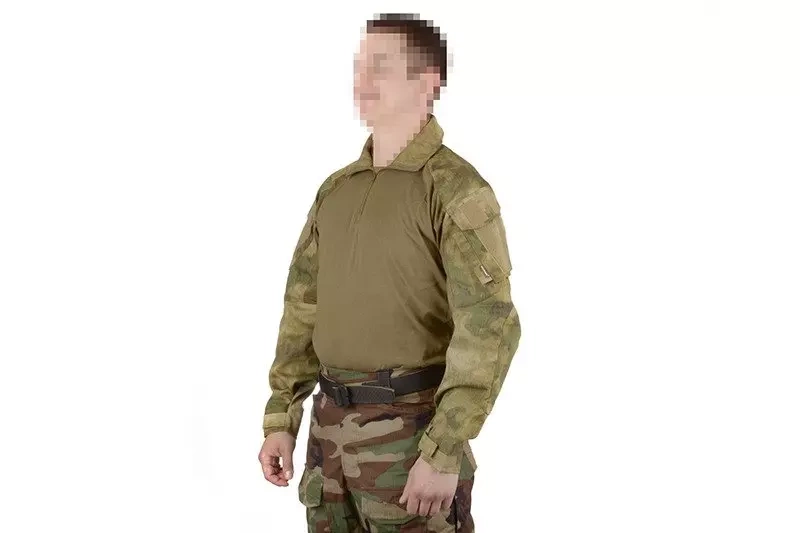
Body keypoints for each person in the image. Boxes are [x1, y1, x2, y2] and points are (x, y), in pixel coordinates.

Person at [258, 13, 521, 532]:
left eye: (380, 66)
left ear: (428, 80)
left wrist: (444, 449)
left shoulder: (454, 189)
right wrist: (282, 417)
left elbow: (489, 323)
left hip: (411, 439)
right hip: (327, 442)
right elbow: (303, 309)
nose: (363, 80)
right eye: (359, 66)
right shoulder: (337, 191)